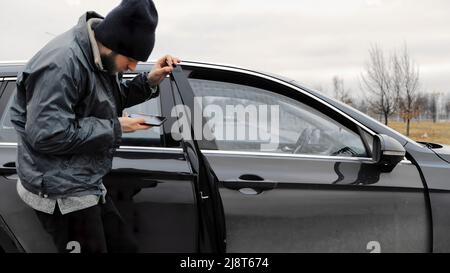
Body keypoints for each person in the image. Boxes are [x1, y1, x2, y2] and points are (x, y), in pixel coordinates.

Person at [9, 0, 181, 253]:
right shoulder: (61, 65)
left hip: (85, 183)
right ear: (113, 43)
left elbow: (104, 100)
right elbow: (46, 134)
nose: (133, 67)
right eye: (131, 59)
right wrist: (115, 127)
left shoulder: (100, 55)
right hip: (62, 193)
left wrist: (149, 82)